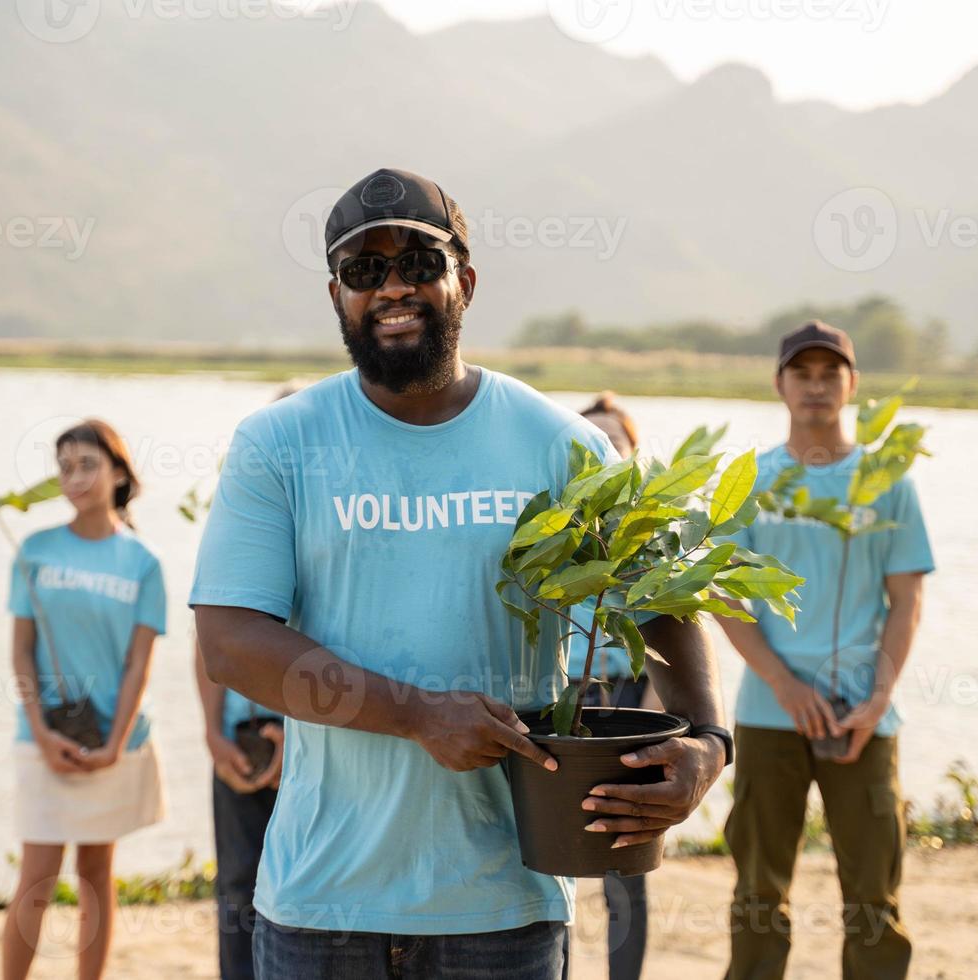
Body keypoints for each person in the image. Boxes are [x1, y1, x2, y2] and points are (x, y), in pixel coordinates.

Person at [190, 168, 731, 980]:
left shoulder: (562, 445)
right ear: (335, 296)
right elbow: (230, 643)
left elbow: (664, 596)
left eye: (418, 262)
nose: (393, 288)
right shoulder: (279, 444)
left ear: (465, 282)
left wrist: (709, 743)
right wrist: (415, 714)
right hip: (321, 904)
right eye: (363, 271)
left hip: (504, 905)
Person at [713, 322, 934, 980]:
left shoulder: (886, 482)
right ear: (780, 384)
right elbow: (726, 597)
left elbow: (906, 602)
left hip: (863, 720)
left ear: (852, 385)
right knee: (758, 894)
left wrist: (878, 699)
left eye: (829, 372)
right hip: (769, 714)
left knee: (873, 897)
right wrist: (784, 683)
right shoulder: (752, 479)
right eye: (802, 372)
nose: (816, 385)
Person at [0, 419, 169, 980]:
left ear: (118, 471)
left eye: (88, 465)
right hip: (43, 738)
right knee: (38, 877)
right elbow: (21, 652)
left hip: (114, 740)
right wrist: (40, 731)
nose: (75, 477)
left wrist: (116, 744)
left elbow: (138, 665)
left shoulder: (144, 562)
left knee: (96, 872)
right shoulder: (35, 550)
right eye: (65, 467)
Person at [194, 383, 303, 980]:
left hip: (312, 738)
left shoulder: (332, 532)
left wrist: (297, 731)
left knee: (306, 891)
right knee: (236, 885)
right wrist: (211, 733)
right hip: (238, 736)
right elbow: (208, 642)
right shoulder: (233, 523)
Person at [572, 392, 661, 980]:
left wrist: (658, 721)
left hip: (629, 702)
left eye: (614, 442)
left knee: (624, 866)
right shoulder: (549, 531)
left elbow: (672, 638)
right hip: (564, 702)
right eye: (590, 441)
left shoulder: (650, 538)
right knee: (544, 859)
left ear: (633, 453)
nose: (604, 453)